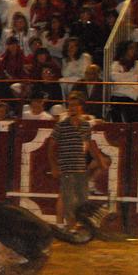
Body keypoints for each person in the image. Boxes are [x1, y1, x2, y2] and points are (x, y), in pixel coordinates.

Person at [48, 95, 107, 231]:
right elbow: (51, 146)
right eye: (70, 105)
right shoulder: (61, 125)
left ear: (81, 108)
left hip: (80, 166)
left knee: (81, 199)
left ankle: (75, 224)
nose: (72, 108)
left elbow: (90, 145)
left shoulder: (85, 126)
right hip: (66, 166)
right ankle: (71, 226)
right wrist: (54, 166)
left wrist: (99, 160)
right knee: (68, 199)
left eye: (75, 105)